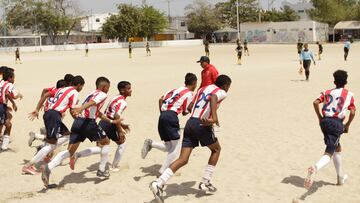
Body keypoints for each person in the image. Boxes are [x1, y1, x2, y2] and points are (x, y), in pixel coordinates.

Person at [149, 75, 232, 202]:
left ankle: (158, 183)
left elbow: (191, 106)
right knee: (216, 150)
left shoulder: (202, 88)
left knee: (183, 159)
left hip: (190, 123)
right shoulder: (220, 92)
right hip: (202, 124)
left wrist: (213, 119)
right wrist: (214, 118)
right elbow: (214, 98)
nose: (228, 89)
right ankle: (205, 181)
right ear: (225, 85)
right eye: (228, 87)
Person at [40, 77, 120, 188]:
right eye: (108, 87)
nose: (108, 90)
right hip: (88, 123)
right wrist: (80, 108)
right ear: (103, 87)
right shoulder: (102, 94)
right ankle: (102, 170)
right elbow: (92, 103)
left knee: (70, 151)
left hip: (78, 122)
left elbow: (97, 111)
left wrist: (111, 121)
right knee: (106, 142)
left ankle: (49, 167)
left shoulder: (91, 93)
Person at [304, 70, 356, 189]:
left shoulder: (327, 92)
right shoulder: (349, 94)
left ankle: (340, 178)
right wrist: (347, 125)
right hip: (336, 123)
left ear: (334, 81)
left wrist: (319, 117)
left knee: (337, 147)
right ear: (346, 82)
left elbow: (315, 102)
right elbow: (353, 111)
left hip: (325, 121)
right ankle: (315, 168)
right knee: (329, 152)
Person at [25, 76, 84, 175]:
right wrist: (79, 122)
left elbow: (45, 95)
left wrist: (37, 108)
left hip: (51, 114)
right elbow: (72, 110)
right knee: (51, 144)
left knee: (67, 134)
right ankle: (29, 166)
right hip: (54, 115)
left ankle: (47, 146)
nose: (81, 88)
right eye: (82, 86)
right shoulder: (75, 92)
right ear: (79, 85)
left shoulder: (61, 89)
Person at [141, 73, 197, 174]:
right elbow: (184, 112)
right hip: (171, 116)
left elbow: (160, 99)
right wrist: (190, 108)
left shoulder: (174, 90)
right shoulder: (190, 94)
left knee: (168, 146)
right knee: (176, 149)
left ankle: (151, 143)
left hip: (162, 116)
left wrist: (163, 114)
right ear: (194, 83)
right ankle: (163, 171)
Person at [74, 81, 132, 172]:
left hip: (103, 122)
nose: (131, 90)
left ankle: (78, 155)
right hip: (110, 125)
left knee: (101, 147)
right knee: (122, 143)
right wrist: (120, 130)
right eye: (128, 88)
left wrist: (122, 125)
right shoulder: (123, 102)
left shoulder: (116, 97)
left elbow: (111, 112)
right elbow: (116, 115)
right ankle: (114, 166)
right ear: (122, 90)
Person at [0, 68, 23, 150]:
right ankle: (4, 145)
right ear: (10, 78)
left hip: (2, 106)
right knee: (7, 124)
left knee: (8, 122)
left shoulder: (0, 82)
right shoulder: (10, 85)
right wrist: (14, 102)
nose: (14, 80)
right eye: (13, 78)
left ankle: (4, 145)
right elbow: (8, 94)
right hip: (1, 107)